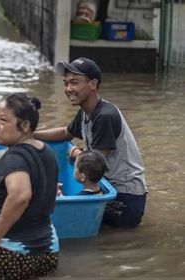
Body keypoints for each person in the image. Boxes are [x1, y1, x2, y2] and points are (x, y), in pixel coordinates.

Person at [33, 57, 148, 228]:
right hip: (107, 187)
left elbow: (95, 163)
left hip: (124, 195)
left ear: (93, 84)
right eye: (66, 83)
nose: (68, 89)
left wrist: (75, 153)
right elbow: (66, 132)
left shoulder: (105, 116)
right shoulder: (86, 111)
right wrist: (31, 135)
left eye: (74, 83)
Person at [0, 93, 59, 280]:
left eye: (3, 120)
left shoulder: (15, 158)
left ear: (25, 126)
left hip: (8, 252)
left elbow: (20, 196)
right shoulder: (46, 151)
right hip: (47, 249)